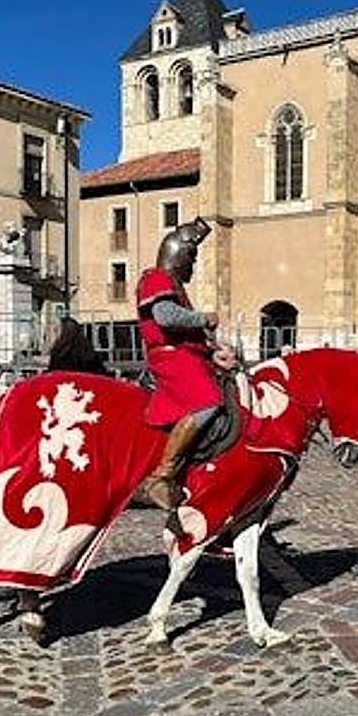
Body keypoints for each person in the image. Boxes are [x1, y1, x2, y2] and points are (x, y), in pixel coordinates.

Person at [132, 217, 226, 515]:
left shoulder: (172, 284)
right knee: (207, 404)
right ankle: (162, 475)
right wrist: (203, 318)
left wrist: (213, 352)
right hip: (172, 359)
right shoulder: (156, 278)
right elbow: (165, 316)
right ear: (178, 253)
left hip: (191, 357)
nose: (193, 265)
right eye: (192, 257)